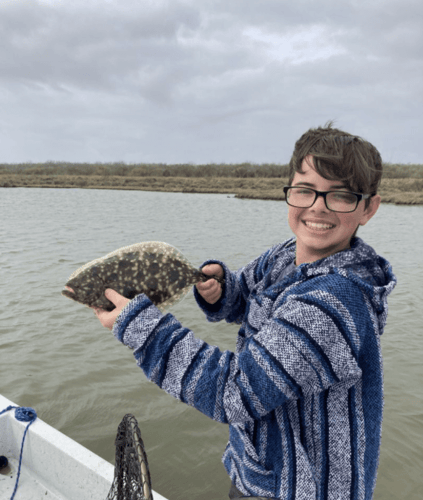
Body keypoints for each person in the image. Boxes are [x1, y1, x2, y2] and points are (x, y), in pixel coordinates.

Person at [93, 123, 397, 500]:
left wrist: (140, 328)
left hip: (303, 488)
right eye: (305, 190)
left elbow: (235, 392)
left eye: (341, 195)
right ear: (289, 193)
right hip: (264, 469)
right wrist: (221, 288)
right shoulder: (287, 256)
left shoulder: (333, 301)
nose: (318, 206)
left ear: (368, 207)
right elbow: (247, 294)